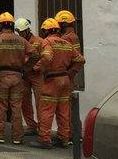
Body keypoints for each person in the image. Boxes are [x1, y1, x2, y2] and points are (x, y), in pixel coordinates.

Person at [0, 12, 38, 144]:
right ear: (12, 25)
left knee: (1, 107)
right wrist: (25, 69)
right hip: (17, 77)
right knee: (16, 108)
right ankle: (17, 138)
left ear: (1, 25)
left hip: (1, 77)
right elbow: (35, 55)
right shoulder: (22, 40)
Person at [34, 18, 84, 148]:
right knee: (63, 111)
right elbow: (80, 59)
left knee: (47, 110)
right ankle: (64, 139)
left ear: (46, 31)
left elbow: (46, 57)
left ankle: (44, 139)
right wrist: (71, 72)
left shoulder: (47, 42)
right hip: (65, 80)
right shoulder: (66, 43)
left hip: (52, 80)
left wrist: (40, 68)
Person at [15, 18, 45, 136]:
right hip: (24, 75)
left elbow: (45, 57)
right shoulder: (19, 42)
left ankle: (43, 128)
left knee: (40, 102)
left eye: (21, 32)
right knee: (25, 101)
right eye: (18, 32)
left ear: (27, 30)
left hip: (36, 74)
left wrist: (35, 67)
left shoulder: (39, 41)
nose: (20, 34)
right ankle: (31, 125)